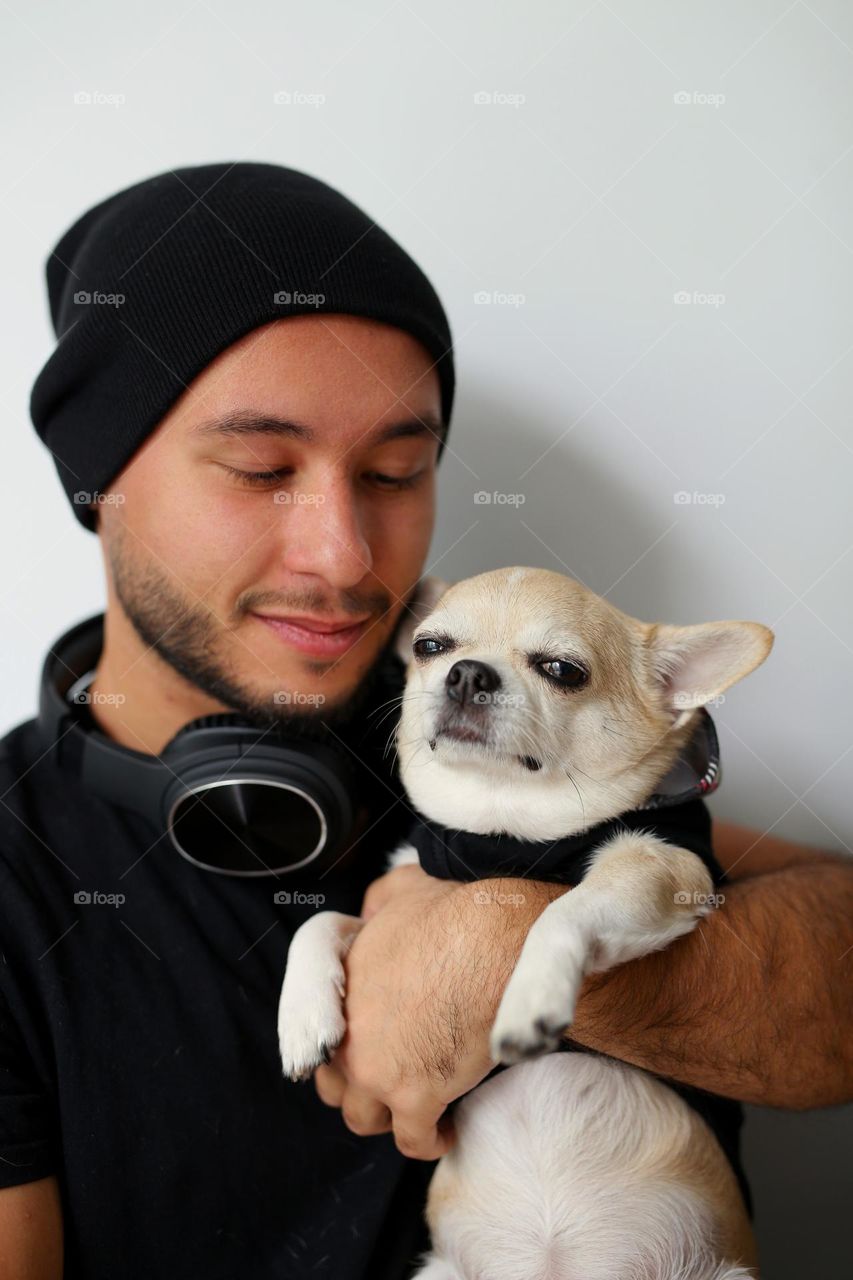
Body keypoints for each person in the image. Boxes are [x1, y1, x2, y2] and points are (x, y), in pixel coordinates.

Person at [1, 162, 850, 1280]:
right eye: (262, 470)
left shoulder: (481, 738)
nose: (347, 559)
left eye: (397, 470)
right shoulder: (19, 869)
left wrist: (502, 940)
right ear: (97, 480)